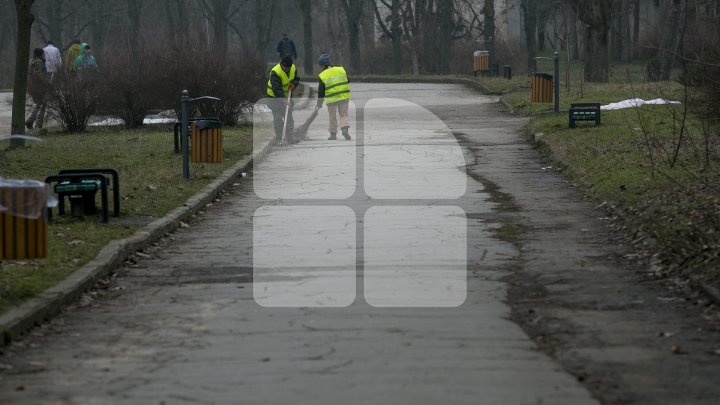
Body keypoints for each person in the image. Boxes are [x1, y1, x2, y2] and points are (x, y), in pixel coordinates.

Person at [316, 54, 351, 140]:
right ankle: (344, 129)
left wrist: (319, 103)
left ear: (322, 65)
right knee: (344, 115)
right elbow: (348, 80)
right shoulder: (340, 69)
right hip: (343, 96)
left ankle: (333, 134)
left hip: (332, 98)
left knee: (332, 116)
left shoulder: (323, 75)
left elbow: (321, 91)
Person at [266, 56, 300, 145]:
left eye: (288, 68)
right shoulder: (275, 72)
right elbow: (277, 90)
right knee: (278, 119)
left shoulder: (293, 68)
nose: (286, 69)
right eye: (285, 68)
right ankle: (279, 139)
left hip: (286, 96)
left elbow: (296, 78)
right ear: (281, 65)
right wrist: (283, 101)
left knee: (289, 118)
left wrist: (293, 84)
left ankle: (290, 138)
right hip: (274, 98)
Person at [25, 48, 49, 130]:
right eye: (43, 54)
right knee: (42, 105)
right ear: (40, 54)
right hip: (39, 87)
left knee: (39, 104)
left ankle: (31, 122)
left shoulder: (31, 61)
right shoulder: (38, 63)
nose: (44, 55)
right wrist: (47, 83)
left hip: (32, 86)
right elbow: (39, 75)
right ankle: (37, 125)